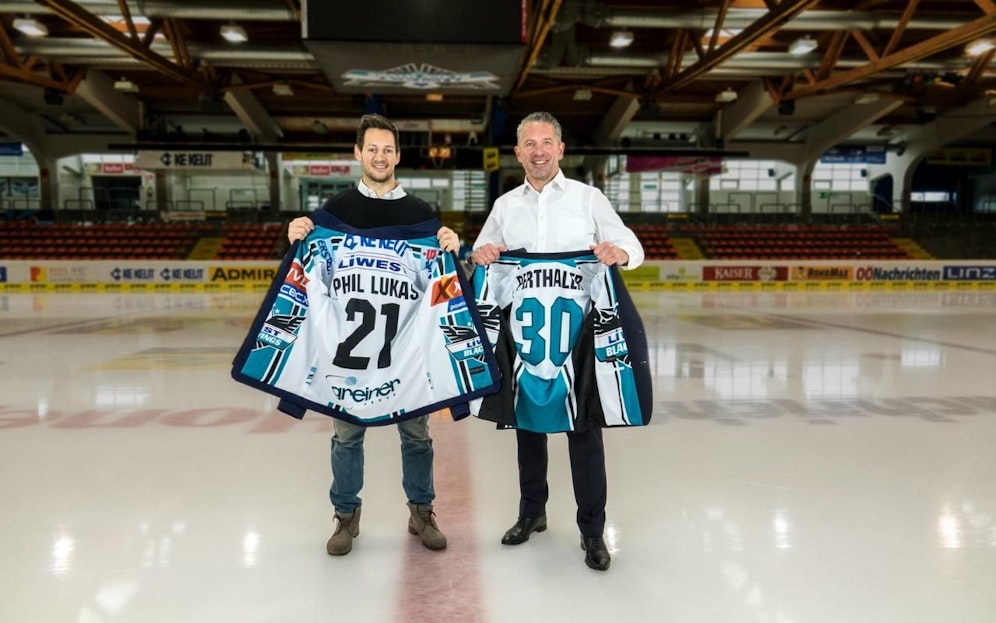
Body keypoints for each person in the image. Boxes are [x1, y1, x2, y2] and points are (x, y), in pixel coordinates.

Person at [469, 111, 644, 571]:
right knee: (526, 428)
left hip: (580, 338)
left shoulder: (589, 200)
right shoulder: (506, 206)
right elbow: (482, 255)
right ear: (519, 152)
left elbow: (632, 244)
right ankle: (532, 513)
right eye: (530, 143)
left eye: (547, 142)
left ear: (561, 150)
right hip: (526, 339)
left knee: (584, 432)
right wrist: (481, 253)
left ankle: (592, 531)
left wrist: (619, 251)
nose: (539, 150)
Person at [286, 113, 461, 556]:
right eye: (372, 149)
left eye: (388, 150)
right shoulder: (334, 212)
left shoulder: (420, 214)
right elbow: (304, 276)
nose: (380, 157)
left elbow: (439, 286)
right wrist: (294, 236)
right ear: (358, 154)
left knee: (417, 435)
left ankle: (421, 511)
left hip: (404, 354)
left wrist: (453, 250)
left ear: (398, 156)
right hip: (348, 357)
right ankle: (346, 517)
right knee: (347, 436)